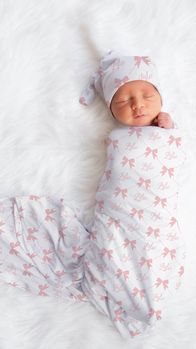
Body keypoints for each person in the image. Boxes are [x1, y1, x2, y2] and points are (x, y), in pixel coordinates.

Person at [0, 51, 185, 339]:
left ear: (160, 98)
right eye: (124, 100)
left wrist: (169, 130)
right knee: (112, 243)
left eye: (147, 95)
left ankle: (142, 289)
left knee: (152, 245)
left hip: (155, 214)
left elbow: (174, 159)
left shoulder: (166, 133)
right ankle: (124, 282)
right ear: (112, 111)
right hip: (119, 210)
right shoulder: (118, 139)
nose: (137, 104)